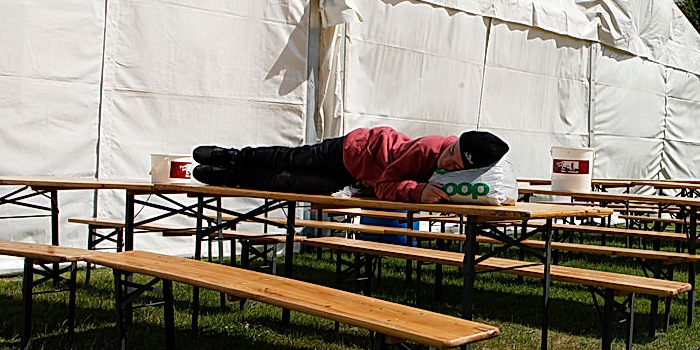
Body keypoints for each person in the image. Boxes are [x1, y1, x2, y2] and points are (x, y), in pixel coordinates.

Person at [191, 127, 509, 203]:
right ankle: (231, 156)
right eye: (451, 151)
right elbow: (386, 184)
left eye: (455, 164)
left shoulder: (460, 175)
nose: (447, 160)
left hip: (354, 180)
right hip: (352, 150)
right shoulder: (429, 147)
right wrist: (418, 192)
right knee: (289, 158)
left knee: (287, 181)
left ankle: (228, 178)